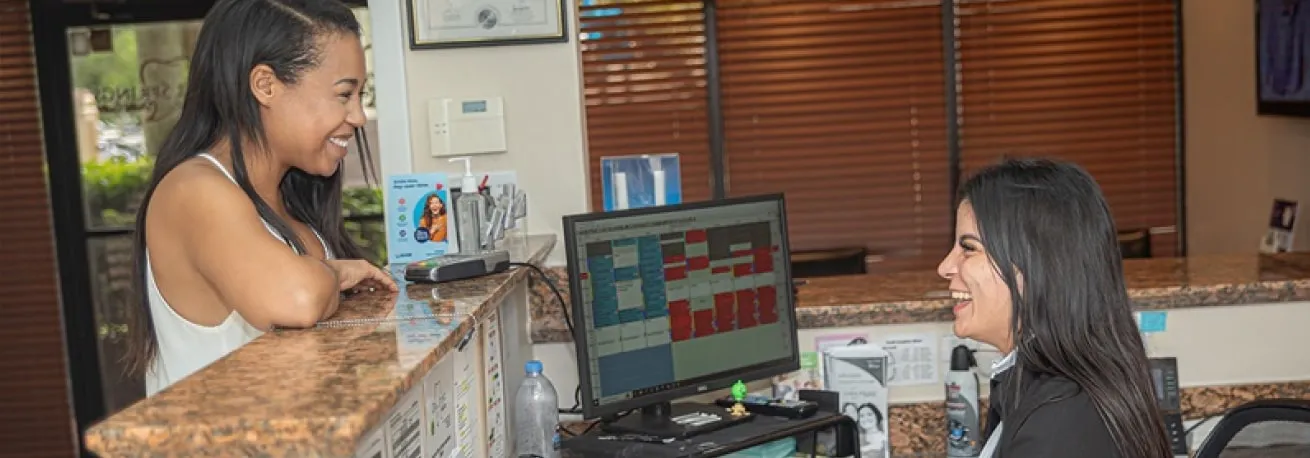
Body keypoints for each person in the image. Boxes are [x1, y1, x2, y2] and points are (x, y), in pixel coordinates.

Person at [123, 0, 398, 396]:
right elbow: (297, 298)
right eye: (344, 95)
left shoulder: (289, 194)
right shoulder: (194, 190)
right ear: (266, 85)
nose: (357, 116)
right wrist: (335, 274)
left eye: (360, 95)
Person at [936, 158, 1172, 458]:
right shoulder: (1037, 387)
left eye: (968, 248)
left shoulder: (1060, 423)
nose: (945, 267)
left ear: (1036, 265)